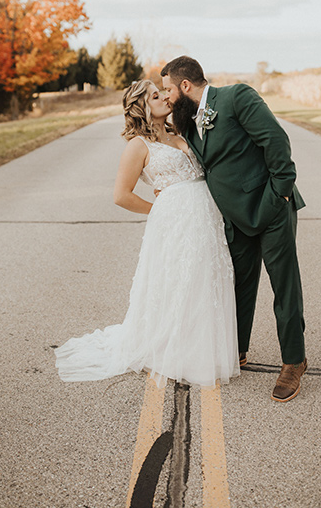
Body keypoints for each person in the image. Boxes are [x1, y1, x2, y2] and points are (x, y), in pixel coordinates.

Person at [54, 79, 240, 388]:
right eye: (156, 95)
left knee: (205, 279)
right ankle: (173, 350)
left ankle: (204, 346)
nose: (165, 98)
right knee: (178, 281)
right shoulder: (137, 146)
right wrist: (161, 210)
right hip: (174, 223)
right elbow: (121, 195)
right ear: (142, 106)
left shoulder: (179, 132)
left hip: (206, 218)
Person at [161, 56, 306, 402]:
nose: (166, 98)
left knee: (283, 286)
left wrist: (281, 194)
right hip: (234, 218)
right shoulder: (186, 121)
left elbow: (276, 141)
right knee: (238, 285)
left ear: (185, 86)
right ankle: (236, 350)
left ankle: (294, 361)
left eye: (168, 90)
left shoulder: (237, 97)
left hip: (271, 209)